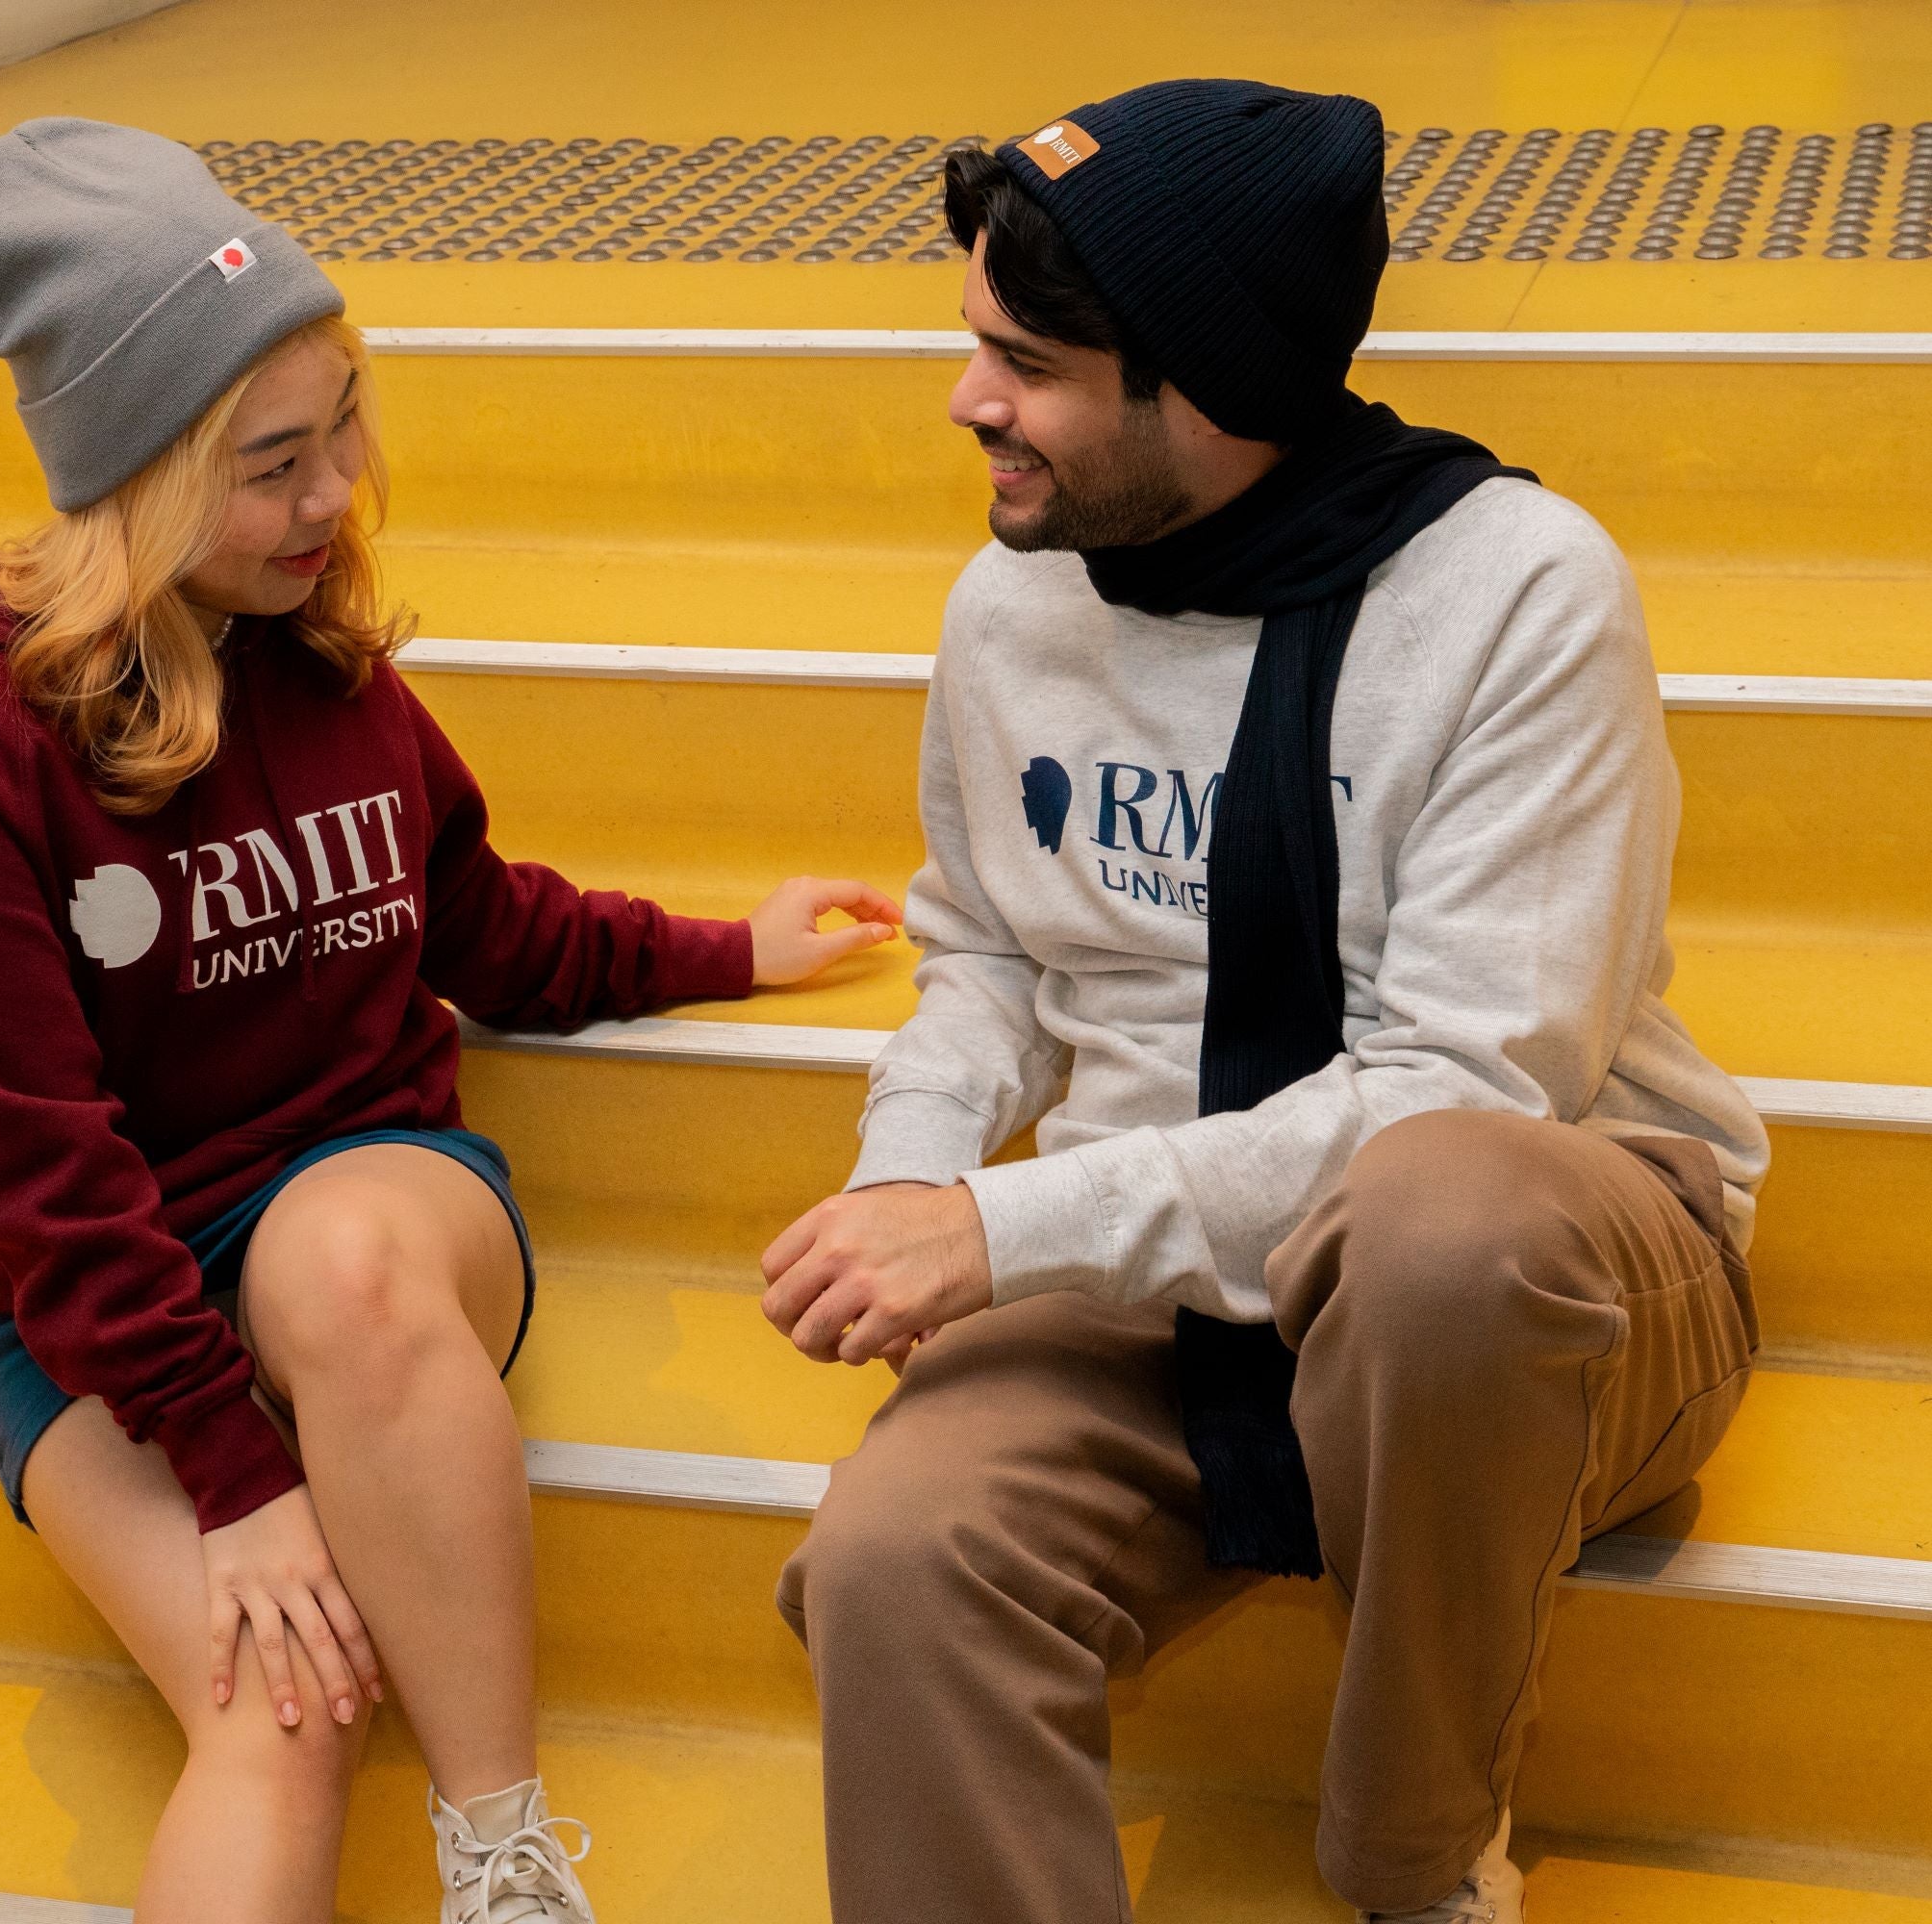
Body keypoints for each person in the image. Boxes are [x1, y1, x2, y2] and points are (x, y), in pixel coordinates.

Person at [0, 118, 899, 1924]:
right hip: (96, 1298)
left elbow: (483, 924)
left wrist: (734, 952)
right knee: (281, 1705)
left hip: (365, 1198)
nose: (336, 493)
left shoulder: (319, 650)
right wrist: (235, 1472)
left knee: (341, 1264)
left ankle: (502, 1862)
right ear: (137, 474)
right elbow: (22, 1166)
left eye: (344, 422)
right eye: (272, 462)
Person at [758, 81, 1768, 1924]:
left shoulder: (1517, 595)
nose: (970, 399)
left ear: (1207, 386)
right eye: (974, 343)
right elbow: (986, 948)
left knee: (1435, 1217)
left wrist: (1003, 1223)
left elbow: (1473, 1084)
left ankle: (1413, 1865)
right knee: (898, 1558)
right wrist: (912, 1179)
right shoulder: (1018, 599)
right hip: (1167, 1283)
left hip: (1547, 1283)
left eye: (1029, 360)